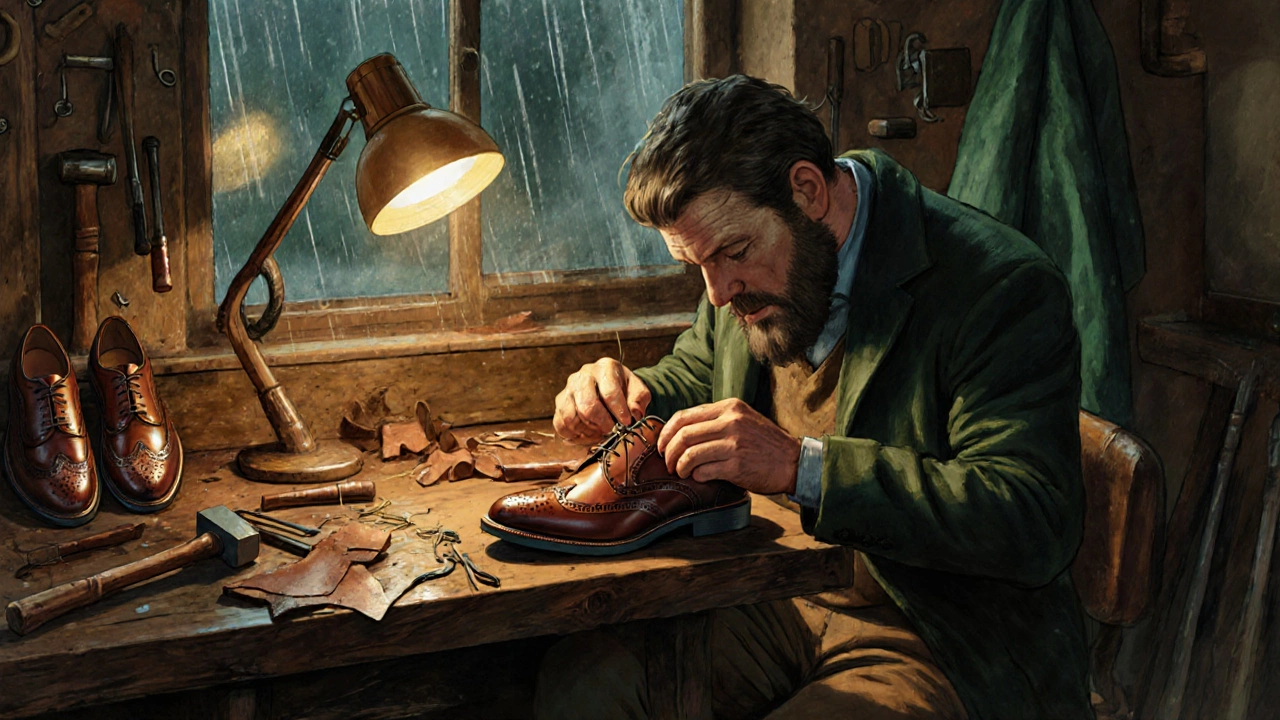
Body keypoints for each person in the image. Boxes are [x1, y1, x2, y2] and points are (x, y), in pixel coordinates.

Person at [539, 75, 1091, 720]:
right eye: (698, 268)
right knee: (585, 685)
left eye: (732, 253)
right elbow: (700, 373)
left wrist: (801, 467)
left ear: (807, 190)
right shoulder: (746, 267)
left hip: (936, 634)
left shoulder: (998, 285)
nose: (717, 293)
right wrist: (624, 395)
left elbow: (1032, 519)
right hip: (778, 598)